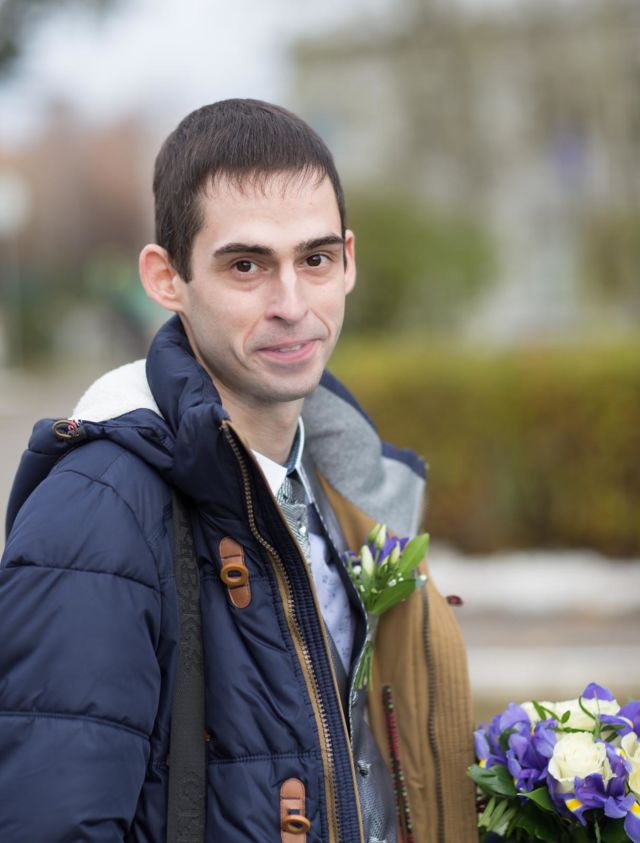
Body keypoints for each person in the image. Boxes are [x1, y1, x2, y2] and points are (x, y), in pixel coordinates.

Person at [0, 99, 477, 842]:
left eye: (315, 260)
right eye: (247, 265)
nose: (292, 304)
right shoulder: (93, 515)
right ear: (166, 277)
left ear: (348, 261)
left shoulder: (345, 485)